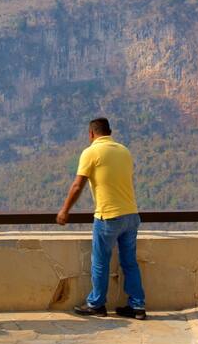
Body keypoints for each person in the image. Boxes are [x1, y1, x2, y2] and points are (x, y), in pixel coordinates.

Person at [56, 117, 147, 319]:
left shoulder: (91, 152)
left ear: (91, 134)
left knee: (100, 262)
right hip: (131, 215)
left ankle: (96, 303)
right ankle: (137, 305)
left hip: (108, 216)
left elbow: (77, 185)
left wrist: (64, 210)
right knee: (129, 262)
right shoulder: (124, 151)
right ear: (110, 132)